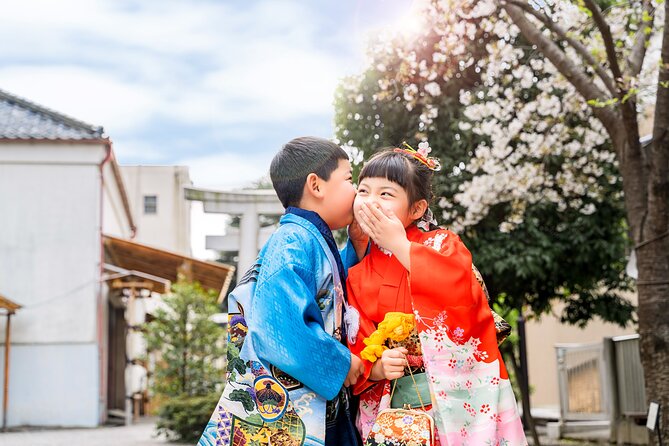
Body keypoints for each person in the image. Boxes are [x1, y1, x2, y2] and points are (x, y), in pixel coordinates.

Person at [347, 144, 527, 445]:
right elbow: (356, 338)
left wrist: (401, 246)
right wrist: (375, 368)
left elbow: (460, 294)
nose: (370, 202)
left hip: (450, 399)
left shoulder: (443, 244)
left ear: (416, 209)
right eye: (363, 191)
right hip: (390, 407)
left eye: (386, 194)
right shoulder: (357, 271)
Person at [198, 137, 367, 446]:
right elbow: (281, 326)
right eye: (349, 179)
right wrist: (342, 363)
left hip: (319, 399)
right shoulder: (292, 240)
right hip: (302, 401)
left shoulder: (303, 238)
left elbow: (331, 293)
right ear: (316, 185)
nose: (356, 190)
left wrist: (355, 246)